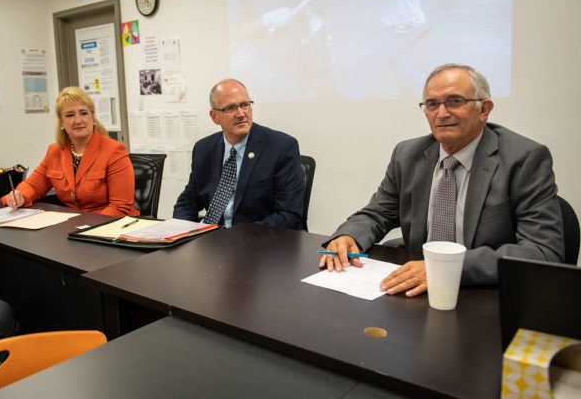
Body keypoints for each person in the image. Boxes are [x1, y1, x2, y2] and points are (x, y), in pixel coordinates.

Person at [320, 63, 564, 296]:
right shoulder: (408, 155)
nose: (442, 113)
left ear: (484, 109)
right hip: (415, 288)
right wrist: (349, 236)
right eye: (432, 104)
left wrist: (446, 268)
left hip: (482, 292)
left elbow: (543, 252)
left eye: (455, 102)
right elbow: (378, 213)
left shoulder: (524, 159)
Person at [173, 79, 304, 229]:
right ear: (214, 117)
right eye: (230, 108)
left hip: (260, 242)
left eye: (245, 105)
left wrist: (233, 238)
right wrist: (182, 232)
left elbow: (288, 215)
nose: (241, 114)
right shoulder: (204, 148)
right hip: (212, 241)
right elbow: (187, 202)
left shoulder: (281, 147)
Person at [0, 86, 139, 217]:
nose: (78, 120)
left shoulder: (114, 151)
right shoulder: (55, 151)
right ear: (61, 122)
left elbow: (120, 207)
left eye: (84, 113)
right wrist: (19, 196)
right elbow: (33, 185)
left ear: (92, 117)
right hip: (72, 226)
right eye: (70, 115)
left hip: (109, 227)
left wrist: (87, 230)